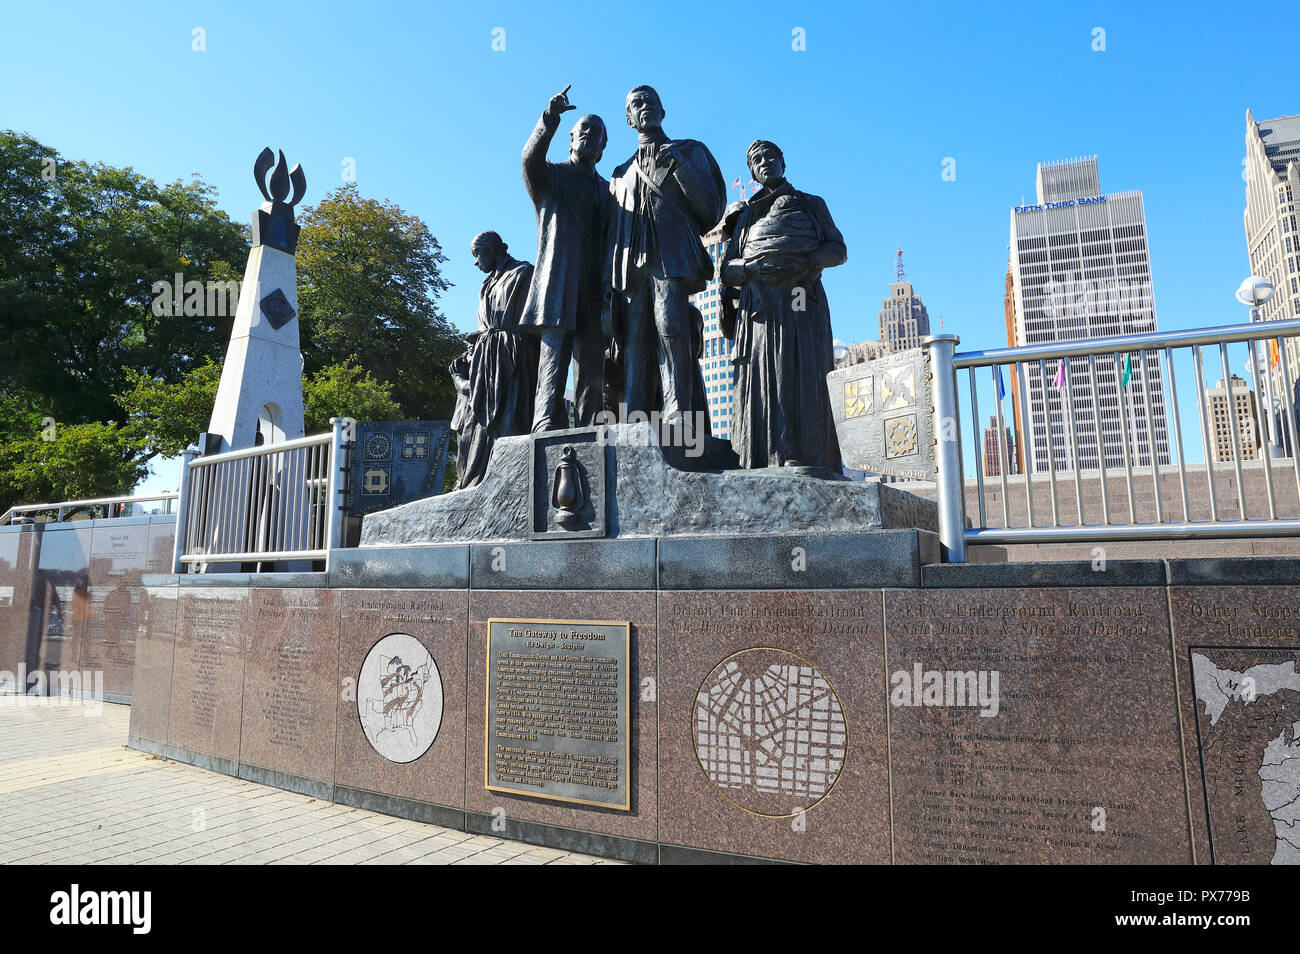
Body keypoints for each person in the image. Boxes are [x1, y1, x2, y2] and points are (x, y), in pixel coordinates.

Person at [720, 140, 847, 471]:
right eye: (756, 160)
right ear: (752, 171)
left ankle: (813, 457)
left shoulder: (811, 204)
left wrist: (804, 262)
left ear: (783, 162)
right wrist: (749, 269)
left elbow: (837, 248)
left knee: (803, 373)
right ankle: (768, 455)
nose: (764, 163)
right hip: (761, 307)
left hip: (801, 299)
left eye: (769, 157)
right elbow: (727, 268)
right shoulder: (747, 215)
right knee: (767, 377)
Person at [605, 85, 725, 428]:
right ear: (629, 119)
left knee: (671, 325)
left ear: (663, 110)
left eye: (651, 101)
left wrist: (681, 166)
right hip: (630, 266)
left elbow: (711, 210)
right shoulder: (619, 173)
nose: (645, 107)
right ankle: (635, 415)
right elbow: (611, 231)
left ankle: (678, 410)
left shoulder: (690, 150)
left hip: (669, 256)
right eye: (636, 104)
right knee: (633, 341)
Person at [519, 86, 613, 431]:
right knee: (553, 362)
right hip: (558, 284)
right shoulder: (550, 177)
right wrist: (550, 120)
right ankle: (543, 425)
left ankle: (590, 426)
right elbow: (528, 159)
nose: (590, 135)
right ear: (571, 138)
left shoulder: (609, 191)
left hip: (594, 289)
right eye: (584, 129)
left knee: (592, 366)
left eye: (598, 133)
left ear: (603, 148)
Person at [454, 231, 537, 489]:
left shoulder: (523, 273)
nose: (475, 262)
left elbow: (532, 320)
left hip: (513, 356)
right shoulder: (485, 285)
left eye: (477, 254)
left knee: (508, 419)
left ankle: (507, 480)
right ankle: (476, 478)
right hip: (484, 360)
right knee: (473, 425)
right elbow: (485, 324)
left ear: (495, 250)